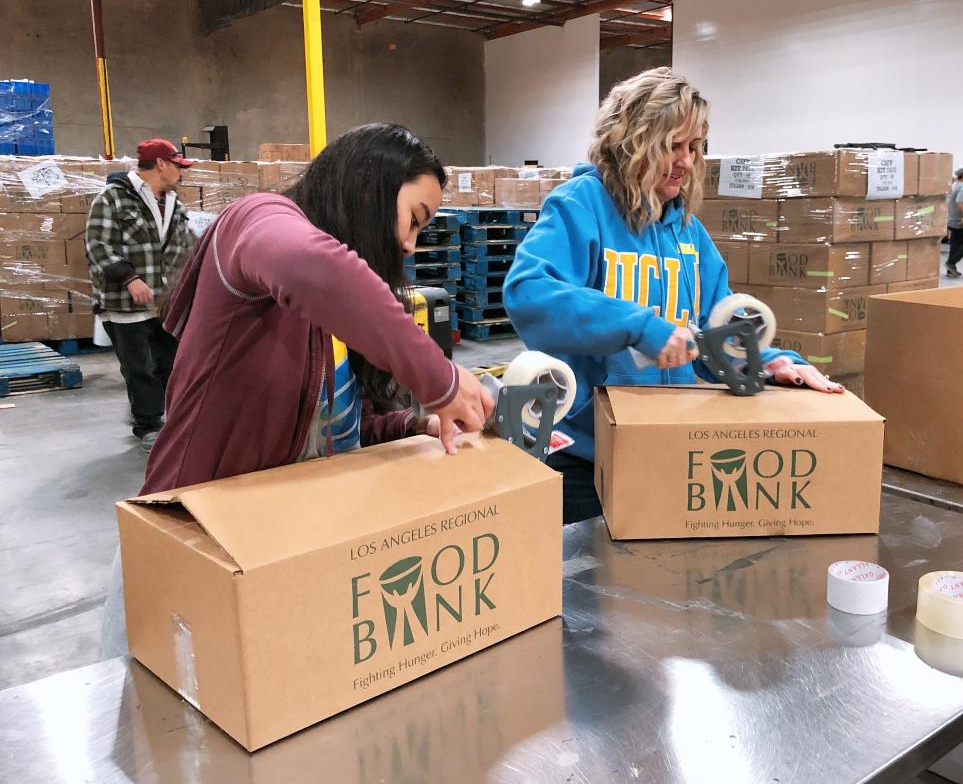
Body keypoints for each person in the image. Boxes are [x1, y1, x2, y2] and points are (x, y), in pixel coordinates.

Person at [100, 122, 493, 657]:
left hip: (276, 550)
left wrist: (416, 423)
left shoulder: (330, 319)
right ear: (368, 189)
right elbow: (312, 267)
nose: (408, 243)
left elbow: (324, 428)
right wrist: (442, 381)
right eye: (413, 220)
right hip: (195, 537)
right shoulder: (257, 220)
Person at [503, 67, 842, 525]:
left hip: (667, 443)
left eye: (696, 147)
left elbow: (711, 336)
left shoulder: (689, 233)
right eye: (672, 146)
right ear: (630, 141)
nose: (686, 161)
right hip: (586, 453)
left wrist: (771, 361)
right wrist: (641, 326)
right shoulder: (580, 206)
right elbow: (529, 293)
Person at [85, 138, 197, 451]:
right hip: (125, 305)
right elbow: (98, 245)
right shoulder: (113, 198)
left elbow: (189, 247)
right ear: (161, 164)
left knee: (169, 364)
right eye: (178, 166)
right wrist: (129, 278)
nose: (181, 173)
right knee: (140, 367)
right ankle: (147, 426)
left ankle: (164, 418)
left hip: (164, 303)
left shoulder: (175, 204)